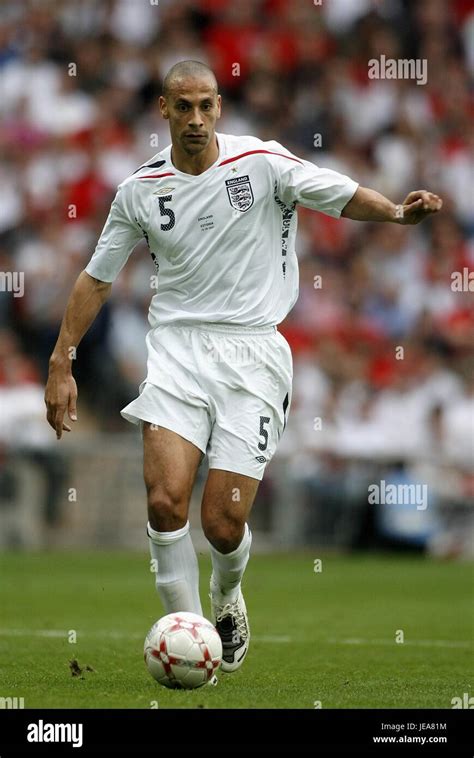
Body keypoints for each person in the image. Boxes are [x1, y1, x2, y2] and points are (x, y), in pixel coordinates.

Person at [44, 60, 442, 676]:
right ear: (164, 110)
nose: (196, 118)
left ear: (219, 107)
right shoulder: (140, 190)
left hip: (253, 353)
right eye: (184, 107)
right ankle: (189, 638)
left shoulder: (260, 163)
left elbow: (337, 193)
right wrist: (61, 361)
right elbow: (97, 280)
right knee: (165, 500)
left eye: (207, 105)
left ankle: (227, 594)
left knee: (223, 523)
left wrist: (394, 213)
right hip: (177, 350)